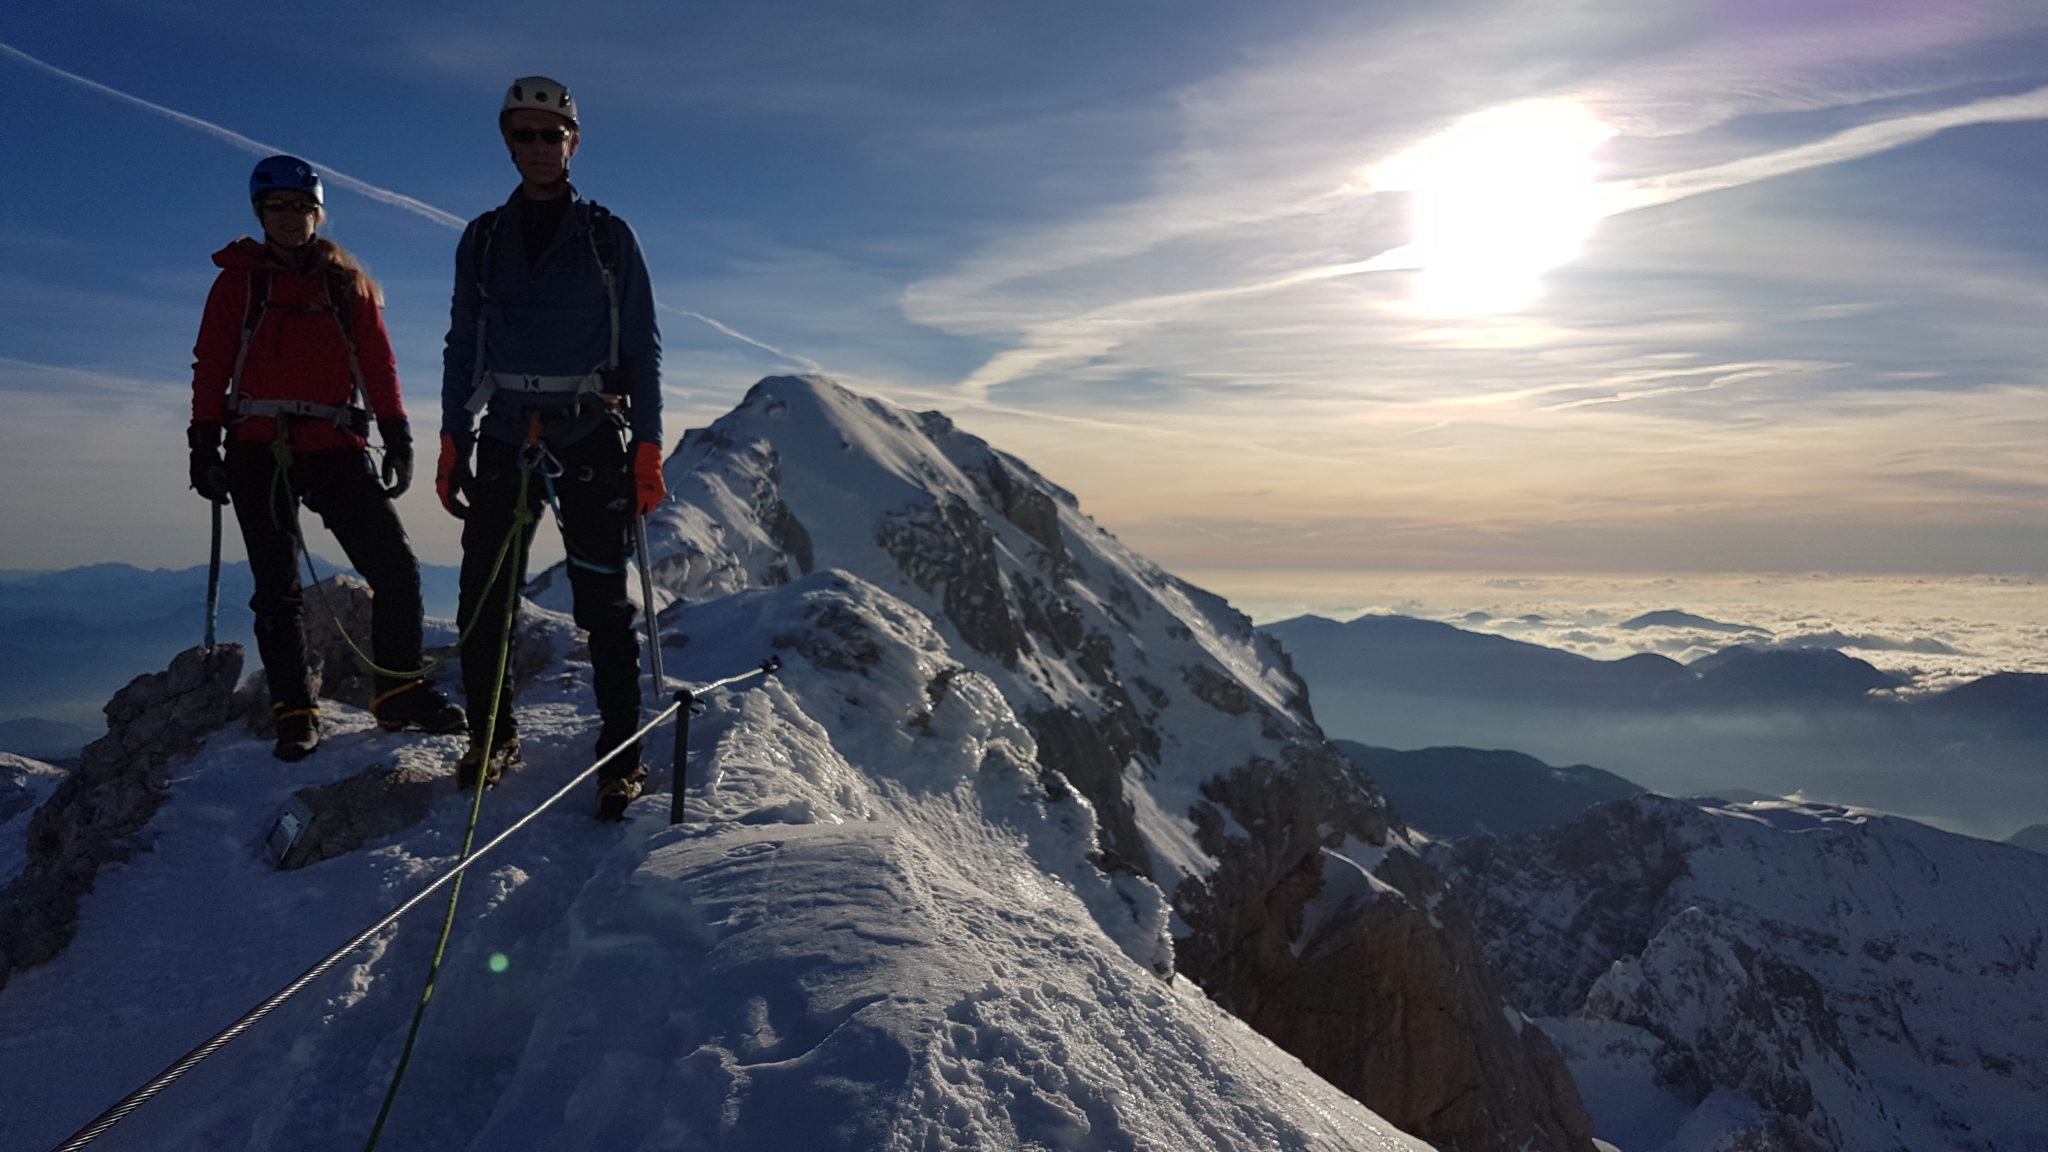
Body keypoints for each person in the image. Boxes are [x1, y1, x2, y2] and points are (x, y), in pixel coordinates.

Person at [438, 76, 665, 818]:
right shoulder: (484, 239)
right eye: (523, 134)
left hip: (590, 431)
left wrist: (650, 445)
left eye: (550, 134)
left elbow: (642, 346)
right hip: (507, 430)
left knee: (603, 603)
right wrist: (452, 436)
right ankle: (492, 735)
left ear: (573, 142)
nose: (537, 147)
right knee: (485, 596)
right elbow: (462, 343)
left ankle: (619, 755)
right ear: (508, 141)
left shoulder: (607, 236)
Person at [189, 155, 467, 761]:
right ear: (261, 212)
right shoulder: (238, 281)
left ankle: (399, 692)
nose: (290, 218)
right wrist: (203, 440)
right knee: (278, 585)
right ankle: (295, 710)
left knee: (395, 567)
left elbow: (378, 361)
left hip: (335, 444)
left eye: (300, 207)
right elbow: (212, 360)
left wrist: (396, 433)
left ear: (318, 213)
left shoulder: (348, 285)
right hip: (257, 445)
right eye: (277, 207)